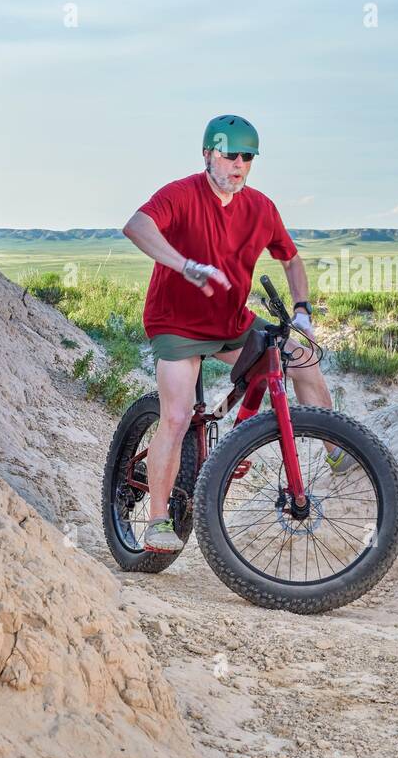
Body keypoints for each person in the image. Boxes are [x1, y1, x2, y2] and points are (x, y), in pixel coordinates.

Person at [121, 114, 351, 553]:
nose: (238, 164)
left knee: (301, 357)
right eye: (229, 155)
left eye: (247, 157)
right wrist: (184, 265)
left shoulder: (260, 207)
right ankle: (156, 521)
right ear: (208, 154)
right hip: (177, 324)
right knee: (176, 416)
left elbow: (291, 259)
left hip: (230, 321)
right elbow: (137, 226)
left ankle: (337, 449)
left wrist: (302, 308)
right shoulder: (180, 194)